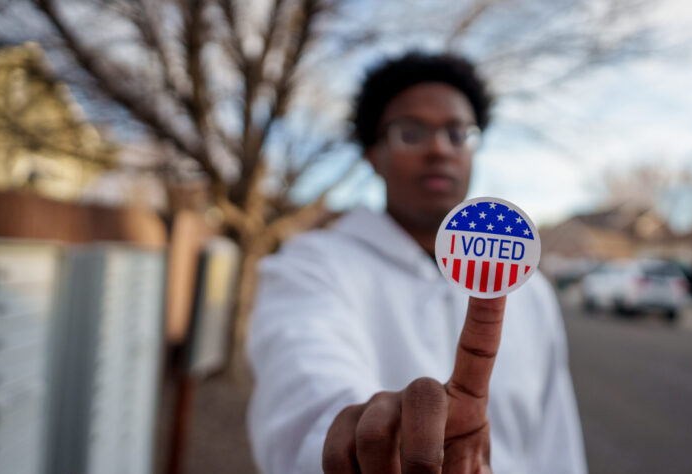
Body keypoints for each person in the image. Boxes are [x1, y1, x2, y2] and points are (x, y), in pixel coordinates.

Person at [246, 51, 587, 473]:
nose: (440, 149)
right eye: (411, 133)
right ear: (373, 155)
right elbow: (304, 389)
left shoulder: (528, 290)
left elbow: (556, 442)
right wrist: (363, 439)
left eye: (458, 133)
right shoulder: (311, 267)